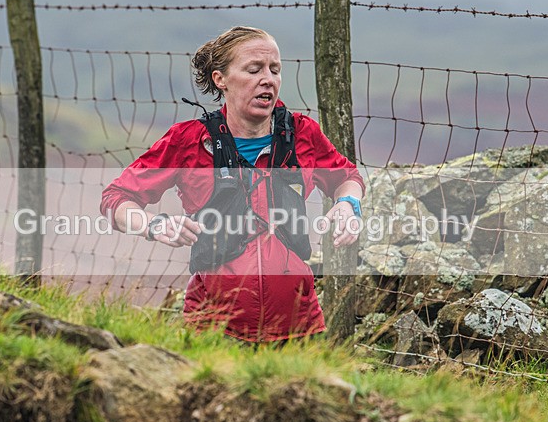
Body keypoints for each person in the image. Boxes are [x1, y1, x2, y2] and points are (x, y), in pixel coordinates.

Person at [100, 26, 364, 343]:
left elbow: (347, 178)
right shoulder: (189, 140)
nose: (268, 79)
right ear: (220, 79)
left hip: (299, 328)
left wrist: (348, 205)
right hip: (212, 329)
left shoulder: (302, 134)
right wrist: (153, 224)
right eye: (253, 69)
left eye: (275, 70)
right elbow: (116, 198)